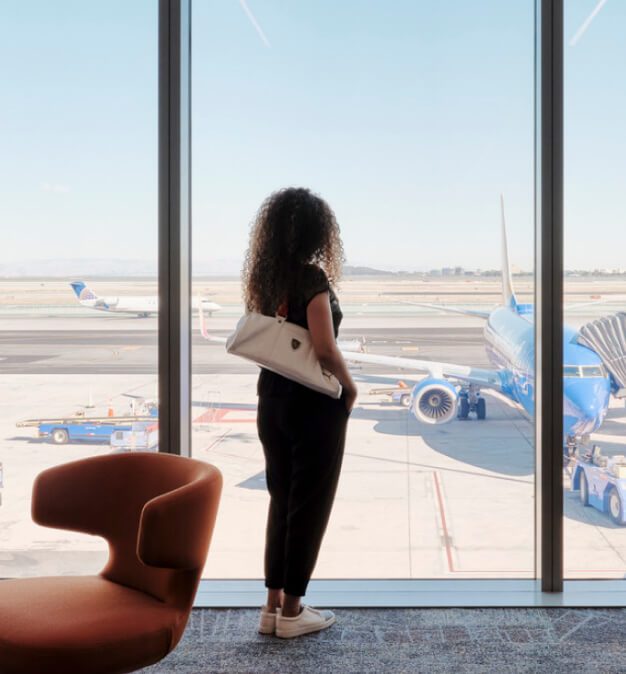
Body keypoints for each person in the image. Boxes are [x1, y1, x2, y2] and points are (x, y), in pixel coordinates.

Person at [242, 187, 357, 639]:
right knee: (310, 505)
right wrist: (348, 389)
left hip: (271, 399)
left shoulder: (263, 280)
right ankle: (293, 611)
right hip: (312, 403)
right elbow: (325, 350)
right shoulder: (312, 279)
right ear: (318, 233)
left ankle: (271, 607)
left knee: (282, 500)